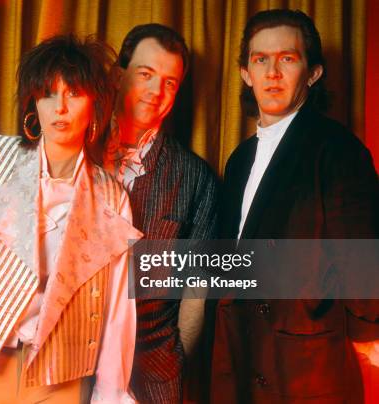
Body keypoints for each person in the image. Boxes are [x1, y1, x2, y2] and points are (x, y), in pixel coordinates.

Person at [0, 34, 142, 404]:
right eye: (48, 93)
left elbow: (117, 308)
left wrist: (111, 393)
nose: (60, 108)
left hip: (61, 376)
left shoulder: (111, 195)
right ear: (33, 101)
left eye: (74, 93)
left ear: (95, 105)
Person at [212, 9, 379, 403]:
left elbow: (363, 263)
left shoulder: (337, 149)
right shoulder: (239, 159)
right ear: (245, 74)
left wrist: (369, 336)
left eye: (287, 58)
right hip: (240, 359)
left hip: (308, 370)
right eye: (260, 59)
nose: (272, 72)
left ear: (313, 73)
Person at [103, 23, 218, 403]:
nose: (156, 92)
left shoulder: (195, 177)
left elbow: (197, 288)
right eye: (146, 75)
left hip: (152, 374)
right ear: (119, 76)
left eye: (169, 82)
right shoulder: (75, 150)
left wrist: (177, 359)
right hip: (67, 368)